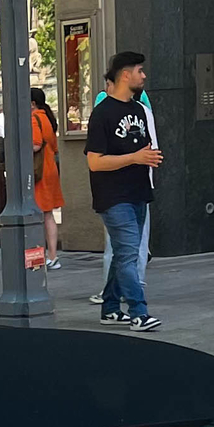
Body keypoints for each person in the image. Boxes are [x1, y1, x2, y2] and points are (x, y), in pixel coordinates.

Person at [86, 51, 161, 330]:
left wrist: (148, 159)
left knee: (122, 254)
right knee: (130, 254)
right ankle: (139, 312)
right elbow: (94, 161)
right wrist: (134, 158)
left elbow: (142, 149)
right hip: (113, 197)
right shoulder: (102, 114)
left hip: (138, 192)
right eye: (139, 71)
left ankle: (110, 307)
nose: (143, 76)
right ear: (125, 75)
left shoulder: (139, 110)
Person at [29, 87, 63, 267]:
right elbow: (54, 147)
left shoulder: (33, 118)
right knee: (48, 214)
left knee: (36, 213)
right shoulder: (48, 118)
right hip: (50, 170)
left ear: (32, 103)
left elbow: (35, 144)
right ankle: (52, 255)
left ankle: (38, 257)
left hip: (38, 171)